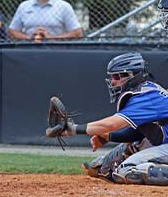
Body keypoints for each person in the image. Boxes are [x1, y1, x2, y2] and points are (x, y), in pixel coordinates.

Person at [60, 52, 168, 185]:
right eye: (112, 77)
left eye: (116, 76)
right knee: (105, 168)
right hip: (163, 143)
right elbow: (140, 132)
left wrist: (73, 129)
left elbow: (111, 124)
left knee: (125, 170)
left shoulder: (146, 95)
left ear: (131, 75)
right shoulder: (144, 91)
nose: (112, 81)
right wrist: (109, 136)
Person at [8, 0, 83, 42]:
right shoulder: (24, 6)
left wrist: (51, 38)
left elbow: (77, 33)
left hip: (56, 50)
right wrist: (29, 37)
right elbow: (12, 32)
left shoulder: (64, 6)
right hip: (29, 49)